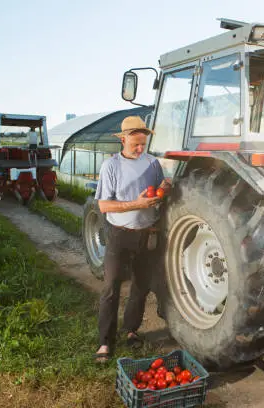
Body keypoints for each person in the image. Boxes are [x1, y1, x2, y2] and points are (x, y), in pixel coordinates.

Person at [94, 115, 170, 363]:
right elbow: (104, 205)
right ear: (123, 139)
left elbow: (158, 192)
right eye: (135, 144)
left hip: (146, 234)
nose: (139, 149)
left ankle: (131, 330)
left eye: (143, 144)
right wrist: (136, 204)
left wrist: (164, 189)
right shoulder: (111, 166)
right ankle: (105, 343)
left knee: (140, 286)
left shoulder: (152, 163)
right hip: (120, 235)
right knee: (111, 287)